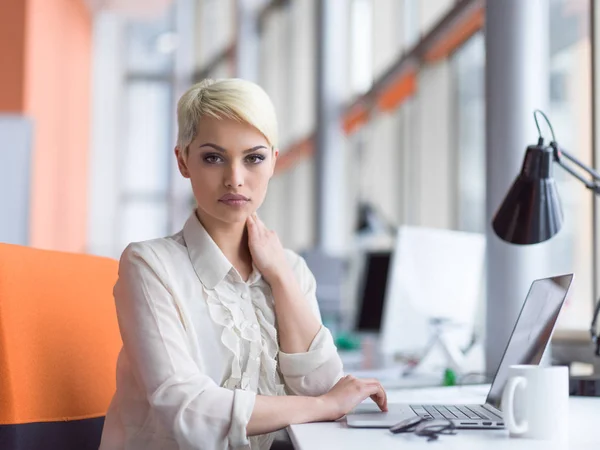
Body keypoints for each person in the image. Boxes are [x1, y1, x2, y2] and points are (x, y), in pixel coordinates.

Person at [98, 78, 388, 450]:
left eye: (254, 158)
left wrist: (280, 277)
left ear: (273, 162)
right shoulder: (149, 265)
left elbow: (324, 387)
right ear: (183, 161)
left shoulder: (293, 269)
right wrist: (322, 405)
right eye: (213, 157)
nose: (235, 179)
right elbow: (186, 408)